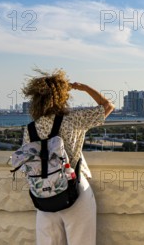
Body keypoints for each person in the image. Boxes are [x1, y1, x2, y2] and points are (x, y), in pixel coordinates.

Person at [22, 69, 114, 245]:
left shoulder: (30, 129)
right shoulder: (72, 119)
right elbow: (107, 106)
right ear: (61, 96)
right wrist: (85, 88)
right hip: (74, 190)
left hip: (44, 195)